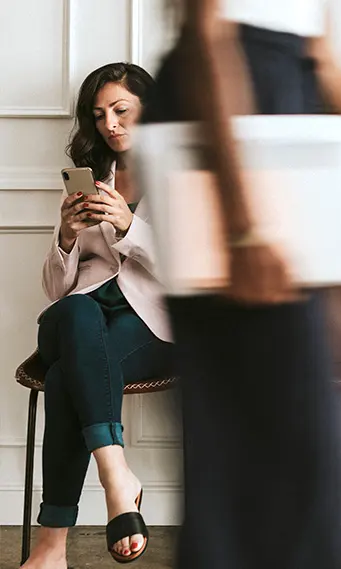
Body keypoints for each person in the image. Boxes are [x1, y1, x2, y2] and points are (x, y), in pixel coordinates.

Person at [139, 1, 341, 568]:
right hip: (224, 156)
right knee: (251, 437)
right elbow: (207, 47)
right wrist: (244, 227)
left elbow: (322, 63)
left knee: (297, 439)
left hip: (279, 162)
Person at [24, 62, 172, 569]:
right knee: (74, 311)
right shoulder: (93, 176)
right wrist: (66, 237)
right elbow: (55, 290)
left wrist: (130, 224)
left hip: (151, 323)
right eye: (100, 114)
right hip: (79, 316)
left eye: (121, 110)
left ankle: (49, 549)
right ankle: (118, 478)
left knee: (67, 376)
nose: (110, 123)